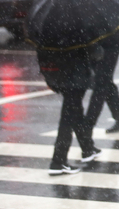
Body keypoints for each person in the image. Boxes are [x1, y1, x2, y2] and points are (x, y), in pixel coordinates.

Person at [37, 46, 102, 175]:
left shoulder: (48, 27)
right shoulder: (76, 28)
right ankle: (58, 161)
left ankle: (87, 148)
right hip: (75, 71)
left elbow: (41, 48)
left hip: (57, 70)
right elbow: (92, 49)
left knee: (74, 109)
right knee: (69, 113)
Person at [85, 29, 119, 133]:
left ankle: (88, 124)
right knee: (104, 81)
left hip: (109, 39)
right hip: (91, 41)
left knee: (101, 81)